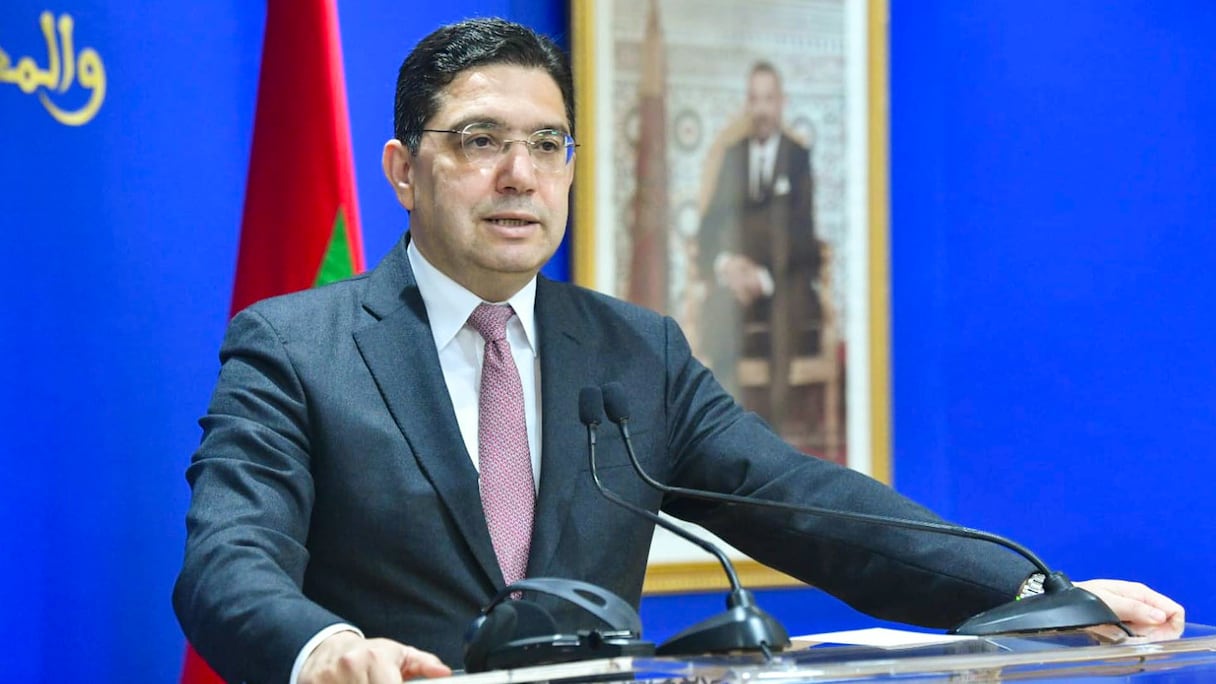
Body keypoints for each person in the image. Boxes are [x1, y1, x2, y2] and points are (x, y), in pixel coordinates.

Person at [173, 17, 1184, 684]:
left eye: (547, 144)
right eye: (480, 141)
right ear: (403, 170)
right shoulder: (296, 348)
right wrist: (325, 650)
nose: (520, 175)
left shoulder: (632, 352)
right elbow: (227, 562)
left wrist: (1035, 594)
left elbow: (807, 506)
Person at [697, 61, 825, 450]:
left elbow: (804, 237)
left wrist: (763, 277)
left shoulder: (798, 158)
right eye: (755, 99)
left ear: (781, 103)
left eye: (769, 99)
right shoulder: (733, 157)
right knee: (718, 312)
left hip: (784, 280)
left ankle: (773, 444)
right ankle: (722, 437)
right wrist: (727, 267)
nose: (762, 109)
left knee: (786, 316)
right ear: (747, 104)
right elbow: (709, 229)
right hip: (737, 280)